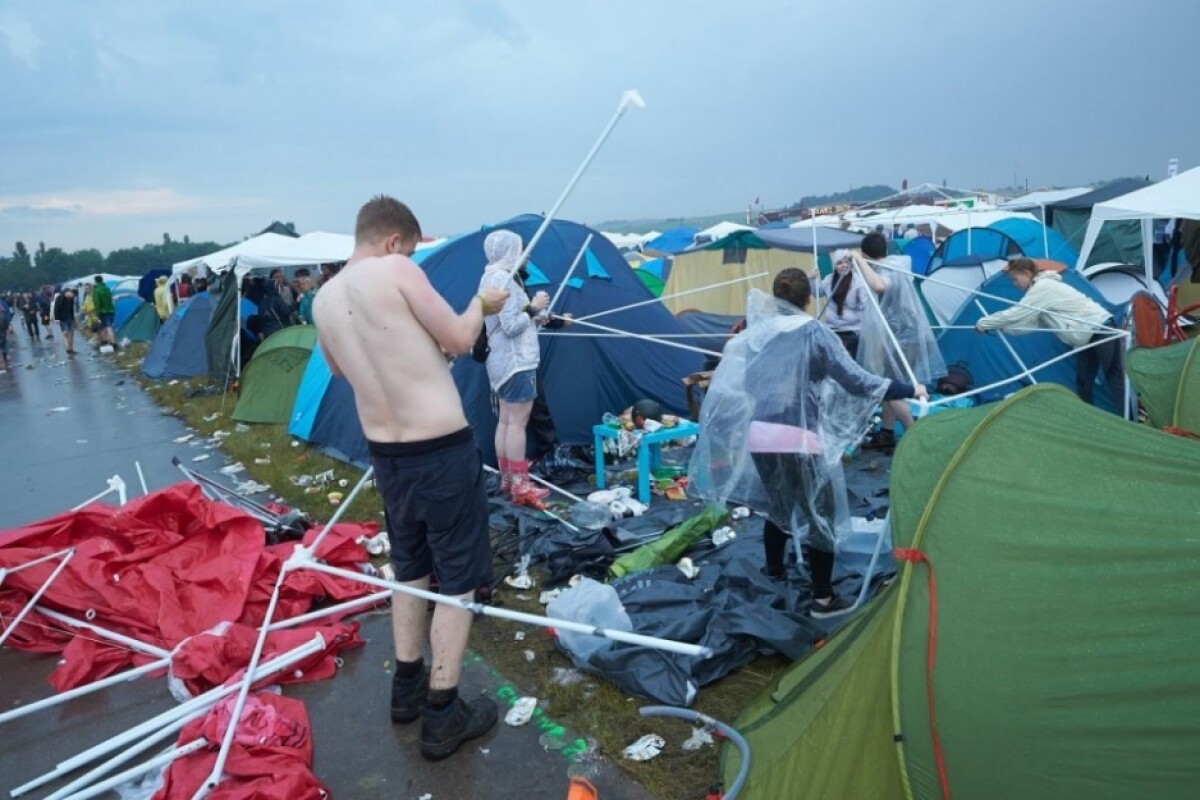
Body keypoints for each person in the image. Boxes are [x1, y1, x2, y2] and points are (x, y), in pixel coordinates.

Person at [312, 195, 508, 761]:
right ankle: (444, 712)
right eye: (413, 248)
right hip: (440, 451)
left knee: (410, 568)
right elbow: (460, 339)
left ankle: (407, 686)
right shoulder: (396, 269)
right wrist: (482, 302)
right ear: (394, 241)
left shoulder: (323, 300)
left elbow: (340, 368)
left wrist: (409, 357)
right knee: (457, 581)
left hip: (387, 453)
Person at [690, 269, 927, 616]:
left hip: (760, 435)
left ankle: (774, 571)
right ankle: (822, 599)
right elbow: (857, 380)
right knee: (822, 516)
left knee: (779, 504)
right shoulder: (816, 333)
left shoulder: (758, 335)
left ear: (776, 298)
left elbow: (751, 383)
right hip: (796, 438)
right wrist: (909, 389)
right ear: (807, 298)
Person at [975, 258, 1123, 411]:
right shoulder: (1038, 294)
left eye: (1015, 279)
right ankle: (1089, 420)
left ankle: (1128, 423)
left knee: (1114, 377)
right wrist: (1002, 329)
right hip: (1086, 337)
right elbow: (1029, 326)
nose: (1015, 284)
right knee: (1083, 381)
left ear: (1026, 273)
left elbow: (1018, 313)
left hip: (1102, 328)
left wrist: (985, 323)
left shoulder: (1043, 287)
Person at [477, 230, 552, 507]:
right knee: (517, 424)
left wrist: (536, 317)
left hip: (501, 364)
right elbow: (511, 326)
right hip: (516, 362)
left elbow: (508, 320)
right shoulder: (503, 279)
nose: (528, 254)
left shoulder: (489, 276)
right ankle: (521, 484)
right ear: (510, 252)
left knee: (506, 421)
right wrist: (533, 308)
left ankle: (508, 478)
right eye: (523, 249)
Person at [853, 232, 944, 450]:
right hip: (905, 337)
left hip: (904, 339)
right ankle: (886, 432)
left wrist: (859, 261)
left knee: (891, 388)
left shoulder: (888, 270)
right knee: (891, 384)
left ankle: (913, 437)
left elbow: (880, 286)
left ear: (867, 255)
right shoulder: (897, 264)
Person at [810, 249, 871, 354]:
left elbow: (865, 305)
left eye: (847, 262)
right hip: (832, 329)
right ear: (835, 265)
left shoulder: (858, 281)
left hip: (853, 330)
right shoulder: (829, 279)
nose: (844, 265)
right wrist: (811, 279)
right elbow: (817, 292)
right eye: (840, 263)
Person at [91, 275, 116, 350]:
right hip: (111, 310)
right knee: (108, 327)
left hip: (103, 312)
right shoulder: (107, 288)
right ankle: (108, 342)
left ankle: (112, 343)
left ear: (95, 281)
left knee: (106, 327)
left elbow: (97, 303)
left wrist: (97, 314)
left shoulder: (96, 290)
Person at [54, 289, 77, 355]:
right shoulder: (59, 298)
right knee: (66, 333)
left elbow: (71, 309)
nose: (73, 297)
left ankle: (71, 349)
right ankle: (68, 348)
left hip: (69, 317)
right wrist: (57, 319)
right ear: (70, 292)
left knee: (71, 333)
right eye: (73, 295)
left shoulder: (71, 299)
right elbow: (56, 308)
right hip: (62, 318)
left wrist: (73, 319)